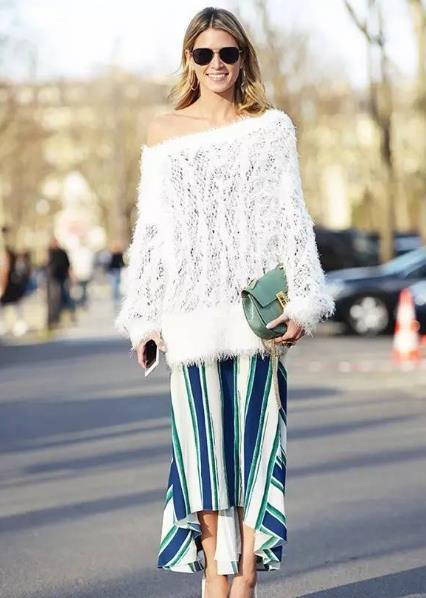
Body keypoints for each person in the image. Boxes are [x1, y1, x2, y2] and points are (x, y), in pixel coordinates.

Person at [115, 7, 335, 598]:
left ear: (243, 60)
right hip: (190, 326)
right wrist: (145, 320)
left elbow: (292, 218)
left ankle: (245, 584)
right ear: (189, 59)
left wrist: (304, 302)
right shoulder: (163, 131)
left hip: (255, 326)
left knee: (255, 469)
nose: (217, 64)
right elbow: (152, 235)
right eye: (205, 53)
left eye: (228, 53)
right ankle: (216, 580)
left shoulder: (271, 128)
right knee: (205, 471)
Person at [46, 237, 75, 329]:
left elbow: (68, 265)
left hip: (62, 278)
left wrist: (71, 276)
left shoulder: (62, 252)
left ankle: (65, 316)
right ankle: (53, 320)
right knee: (53, 299)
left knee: (63, 297)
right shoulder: (49, 253)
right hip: (52, 279)